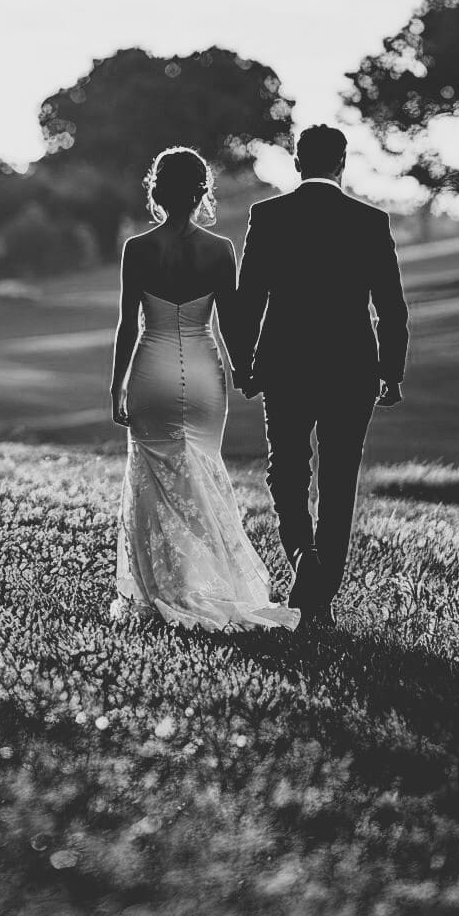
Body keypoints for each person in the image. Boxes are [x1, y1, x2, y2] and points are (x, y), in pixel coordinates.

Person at [108, 147, 300, 633]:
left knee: (154, 478)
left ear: (156, 191)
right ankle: (209, 583)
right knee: (201, 471)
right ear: (201, 194)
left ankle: (165, 587)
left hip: (150, 370)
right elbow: (232, 322)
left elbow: (127, 324)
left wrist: (117, 384)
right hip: (203, 374)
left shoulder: (138, 248)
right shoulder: (219, 249)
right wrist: (244, 371)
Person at [227, 125, 409, 629]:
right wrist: (391, 372)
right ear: (342, 163)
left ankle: (303, 557)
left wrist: (245, 364)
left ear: (297, 162)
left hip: (285, 364)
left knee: (286, 471)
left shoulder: (269, 216)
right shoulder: (370, 221)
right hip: (353, 369)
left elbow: (248, 298)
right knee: (338, 480)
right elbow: (391, 307)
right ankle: (319, 597)